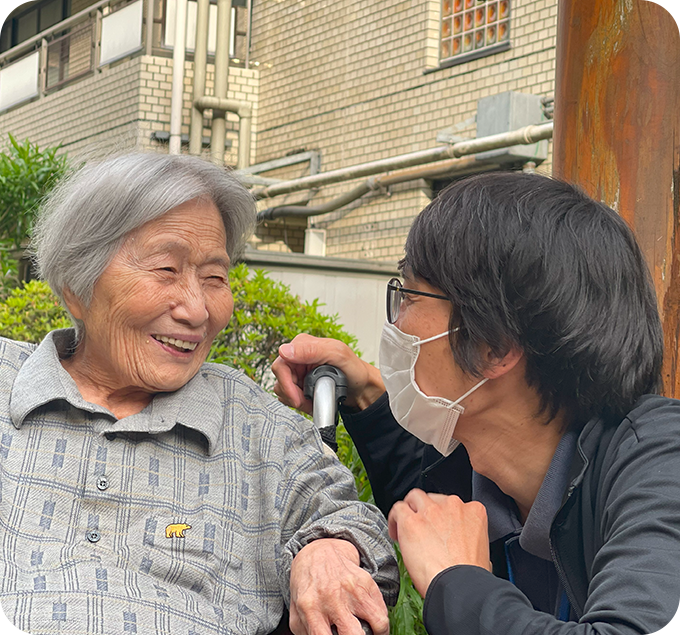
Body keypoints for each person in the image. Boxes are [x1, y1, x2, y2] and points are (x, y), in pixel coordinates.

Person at [0, 153, 398, 635]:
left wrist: (328, 551)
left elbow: (352, 520)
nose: (196, 309)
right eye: (166, 270)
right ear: (74, 289)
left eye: (214, 278)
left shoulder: (256, 427)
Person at [272, 172, 680, 634]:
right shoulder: (488, 472)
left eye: (409, 294)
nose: (397, 322)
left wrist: (458, 582)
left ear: (495, 346)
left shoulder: (662, 463)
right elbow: (425, 492)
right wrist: (365, 391)